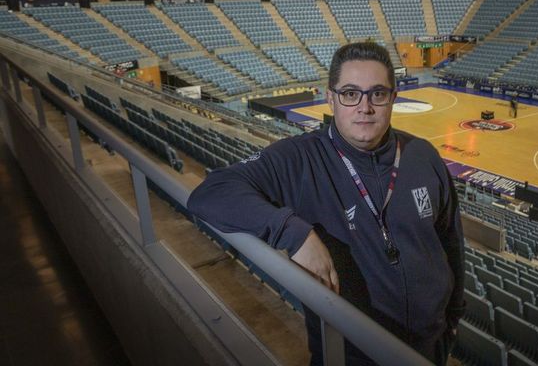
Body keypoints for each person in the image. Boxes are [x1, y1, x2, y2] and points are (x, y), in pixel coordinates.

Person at [187, 42, 465, 365]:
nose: (365, 107)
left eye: (377, 93)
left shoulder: (423, 156)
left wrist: (453, 322)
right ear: (330, 98)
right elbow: (211, 191)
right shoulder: (300, 159)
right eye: (350, 93)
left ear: (393, 97)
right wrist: (292, 232)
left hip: (429, 351)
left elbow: (451, 244)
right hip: (347, 356)